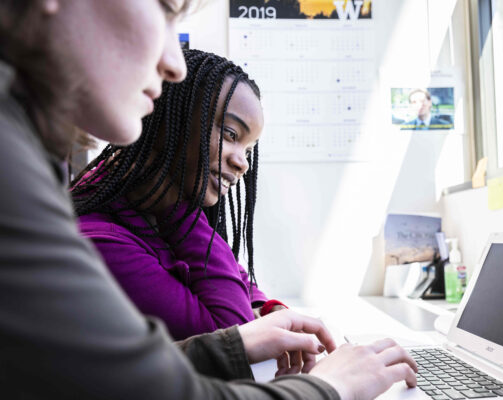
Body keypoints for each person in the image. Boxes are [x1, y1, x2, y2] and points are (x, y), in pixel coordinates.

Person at [0, 1, 418, 399]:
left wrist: (263, 317)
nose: (174, 66)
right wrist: (332, 386)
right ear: (175, 126)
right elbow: (178, 370)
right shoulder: (93, 226)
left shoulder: (38, 158)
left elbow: (237, 287)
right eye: (164, 8)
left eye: (249, 149)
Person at [70, 50, 284, 340]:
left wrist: (268, 309)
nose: (243, 163)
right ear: (173, 122)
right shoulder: (103, 244)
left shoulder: (151, 200)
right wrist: (177, 211)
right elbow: (234, 336)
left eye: (248, 150)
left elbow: (233, 273)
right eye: (232, 135)